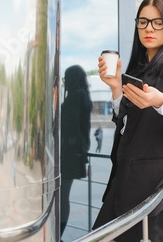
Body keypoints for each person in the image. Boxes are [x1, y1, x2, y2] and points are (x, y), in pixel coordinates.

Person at [92, 0, 163, 241]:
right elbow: (126, 123)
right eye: (143, 22)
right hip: (124, 175)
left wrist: (160, 101)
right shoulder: (138, 68)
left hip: (147, 180)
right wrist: (115, 88)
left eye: (157, 22)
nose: (149, 28)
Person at [60, 65, 92, 238]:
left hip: (68, 154)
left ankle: (58, 233)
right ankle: (59, 233)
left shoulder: (75, 96)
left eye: (66, 79)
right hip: (75, 153)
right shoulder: (83, 95)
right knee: (64, 194)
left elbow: (69, 126)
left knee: (63, 195)